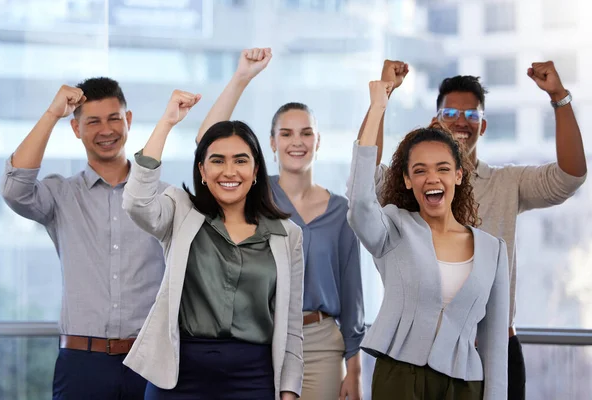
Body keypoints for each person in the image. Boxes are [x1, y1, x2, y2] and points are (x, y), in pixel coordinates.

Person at [363, 60, 587, 400]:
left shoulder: (506, 183)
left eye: (472, 115)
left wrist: (559, 97)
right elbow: (366, 180)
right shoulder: (414, 188)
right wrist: (382, 98)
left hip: (494, 346)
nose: (461, 121)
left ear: (483, 127)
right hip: (420, 351)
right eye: (451, 112)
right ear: (435, 119)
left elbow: (570, 176)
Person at [196, 47, 366, 400]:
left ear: (318, 141)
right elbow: (206, 142)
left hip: (321, 343)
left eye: (306, 133)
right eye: (286, 134)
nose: (297, 142)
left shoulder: (340, 211)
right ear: (271, 143)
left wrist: (355, 368)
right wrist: (242, 76)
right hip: (259, 337)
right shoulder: (253, 195)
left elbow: (352, 293)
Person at [121, 90, 304, 400]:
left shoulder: (288, 234)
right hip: (178, 377)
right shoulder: (180, 211)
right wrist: (167, 122)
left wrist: (289, 392)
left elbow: (291, 325)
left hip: (254, 378)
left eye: (240, 161)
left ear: (256, 170)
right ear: (202, 171)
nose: (229, 172)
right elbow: (137, 203)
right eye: (217, 161)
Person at [0, 78, 167, 399]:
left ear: (128, 121)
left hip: (148, 360)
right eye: (93, 121)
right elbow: (14, 189)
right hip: (81, 363)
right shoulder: (60, 195)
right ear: (76, 129)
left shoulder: (161, 197)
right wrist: (52, 113)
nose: (106, 130)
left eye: (114, 118)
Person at [348, 79, 509, 400]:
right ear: (407, 180)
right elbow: (359, 203)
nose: (432, 178)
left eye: (443, 168)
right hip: (400, 375)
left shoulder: (493, 249)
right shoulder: (393, 226)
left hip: (465, 382)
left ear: (458, 175)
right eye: (419, 170)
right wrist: (378, 108)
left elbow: (494, 344)